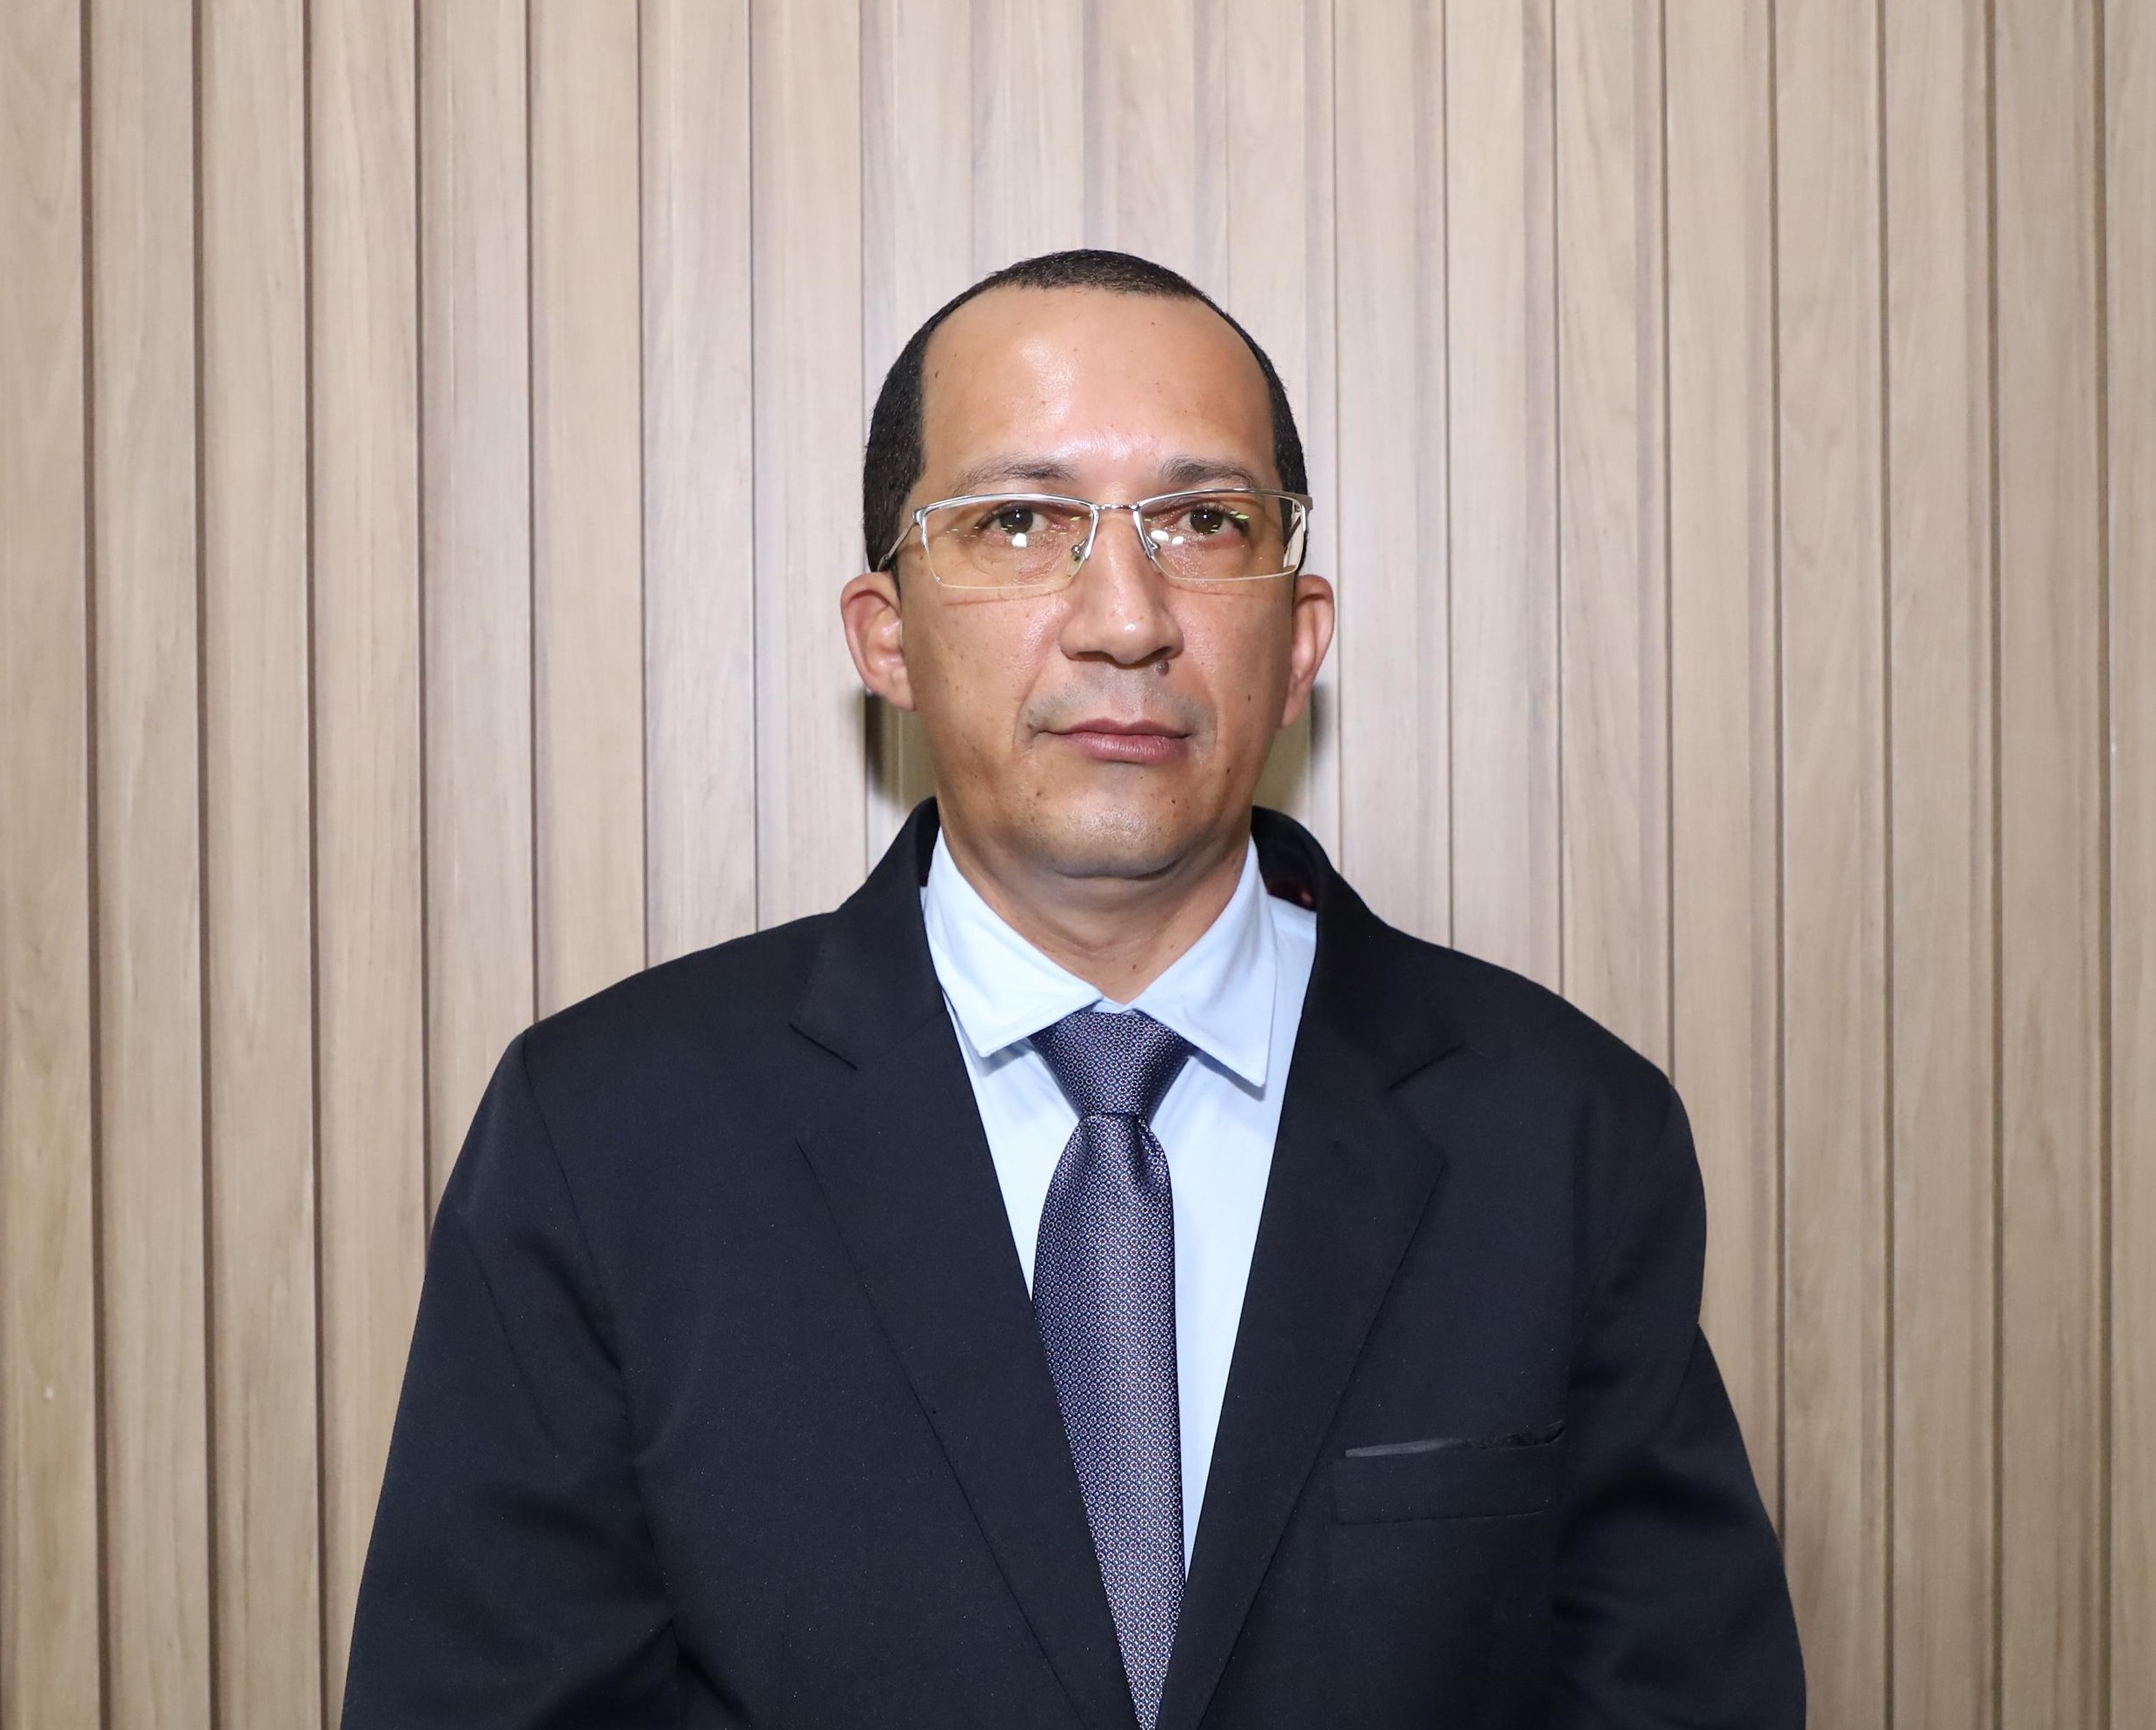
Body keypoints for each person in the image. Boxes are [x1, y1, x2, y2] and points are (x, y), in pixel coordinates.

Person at [342, 249, 1804, 1728]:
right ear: (887, 636)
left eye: (1202, 521)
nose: (1124, 616)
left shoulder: (1560, 1130)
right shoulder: (607, 1138)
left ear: (1298, 636)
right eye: (1019, 522)